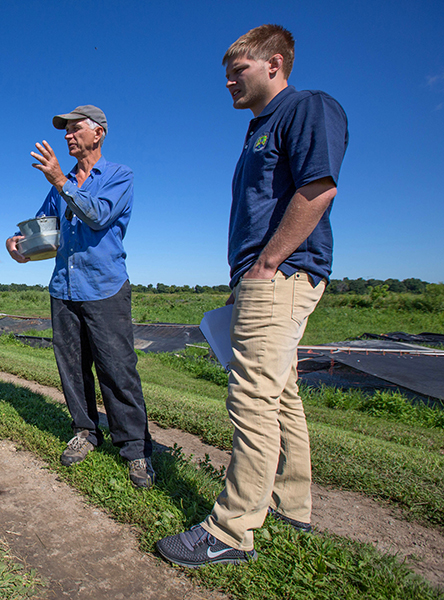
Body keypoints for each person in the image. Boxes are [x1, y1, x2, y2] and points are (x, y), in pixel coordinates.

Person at [156, 25, 349, 567]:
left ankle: (230, 530)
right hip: (261, 279)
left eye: (237, 71)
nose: (228, 83)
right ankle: (292, 505)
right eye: (226, 75)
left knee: (251, 399)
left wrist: (267, 263)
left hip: (280, 275)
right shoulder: (256, 130)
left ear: (275, 63)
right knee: (281, 394)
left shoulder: (306, 107)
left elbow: (318, 188)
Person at [6, 105, 155, 488]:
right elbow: (46, 235)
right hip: (64, 289)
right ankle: (86, 431)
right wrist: (19, 245)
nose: (69, 136)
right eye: (65, 131)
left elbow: (98, 216)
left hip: (104, 287)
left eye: (76, 129)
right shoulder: (60, 185)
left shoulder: (119, 177)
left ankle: (135, 450)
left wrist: (60, 181)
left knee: (117, 369)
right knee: (72, 367)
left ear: (98, 133)